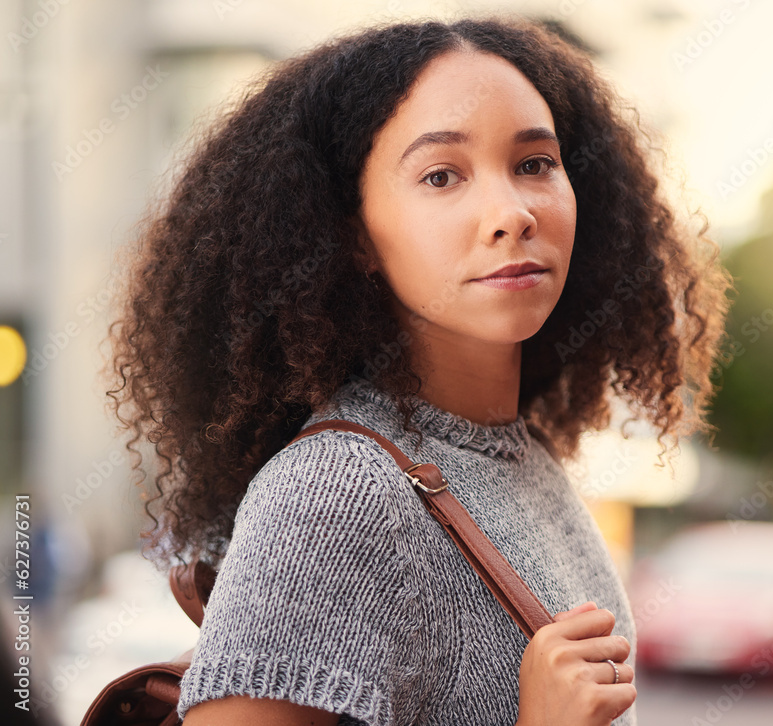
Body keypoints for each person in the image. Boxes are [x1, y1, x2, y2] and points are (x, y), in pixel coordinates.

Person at [103, 12, 730, 726]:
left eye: (534, 164)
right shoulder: (337, 493)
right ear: (354, 237)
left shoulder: (524, 461)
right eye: (441, 175)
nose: (511, 211)